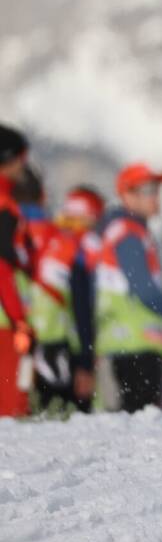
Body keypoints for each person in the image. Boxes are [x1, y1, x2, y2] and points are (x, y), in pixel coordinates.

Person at [96, 163, 162, 413]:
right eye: (148, 190)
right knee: (139, 421)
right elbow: (144, 289)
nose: (155, 196)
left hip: (134, 342)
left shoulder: (131, 230)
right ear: (127, 196)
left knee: (136, 420)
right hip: (133, 344)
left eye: (156, 189)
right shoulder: (127, 233)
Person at [21, 173, 104, 414]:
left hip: (22, 341)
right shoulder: (75, 246)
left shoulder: (25, 235)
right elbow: (82, 308)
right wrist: (86, 364)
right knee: (64, 423)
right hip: (57, 347)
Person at [0, 124, 33, 417]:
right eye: (22, 157)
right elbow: (2, 265)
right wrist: (19, 320)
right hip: (4, 324)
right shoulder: (5, 205)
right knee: (10, 411)